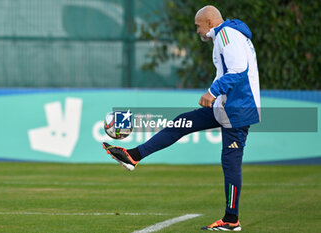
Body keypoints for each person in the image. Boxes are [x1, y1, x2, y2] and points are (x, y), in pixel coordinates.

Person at [102, 5, 260, 231]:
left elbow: (238, 69)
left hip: (237, 109)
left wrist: (213, 92)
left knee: (230, 162)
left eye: (198, 26)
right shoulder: (229, 34)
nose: (197, 31)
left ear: (209, 22)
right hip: (227, 105)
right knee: (180, 123)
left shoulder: (226, 34)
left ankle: (231, 219)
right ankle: (133, 156)